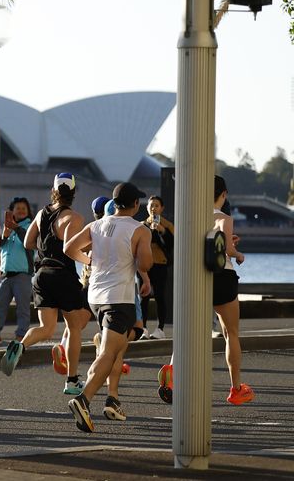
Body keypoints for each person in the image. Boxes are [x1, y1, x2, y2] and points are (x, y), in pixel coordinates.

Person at [63, 182, 152, 432]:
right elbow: (145, 263)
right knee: (109, 353)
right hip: (119, 298)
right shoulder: (139, 229)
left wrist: (87, 258)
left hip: (95, 296)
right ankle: (84, 399)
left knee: (117, 345)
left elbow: (68, 248)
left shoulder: (96, 225)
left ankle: (112, 398)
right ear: (135, 204)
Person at [159, 176, 254, 406]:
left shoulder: (191, 217)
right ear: (224, 194)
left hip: (197, 276)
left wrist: (224, 243)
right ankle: (236, 388)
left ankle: (171, 375)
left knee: (186, 331)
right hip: (223, 276)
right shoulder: (223, 217)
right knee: (230, 333)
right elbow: (228, 251)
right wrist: (237, 253)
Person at [2, 173, 91, 397]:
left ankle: (20, 345)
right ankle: (72, 381)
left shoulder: (41, 213)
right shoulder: (74, 218)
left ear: (54, 190)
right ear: (72, 192)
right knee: (74, 328)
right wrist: (91, 261)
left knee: (46, 328)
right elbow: (69, 248)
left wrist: (43, 249)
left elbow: (27, 242)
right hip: (63, 274)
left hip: (40, 274)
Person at [0, 197, 33, 345]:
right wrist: (5, 234)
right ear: (12, 211)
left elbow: (28, 242)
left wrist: (15, 228)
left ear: (28, 211)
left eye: (24, 208)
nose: (21, 210)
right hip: (6, 275)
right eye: (18, 208)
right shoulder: (7, 228)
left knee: (23, 309)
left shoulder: (29, 226)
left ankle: (22, 336)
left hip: (23, 275)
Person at [140, 196, 173, 339]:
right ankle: (143, 328)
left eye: (156, 205)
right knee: (143, 297)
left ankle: (160, 329)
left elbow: (172, 244)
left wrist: (162, 231)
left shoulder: (168, 225)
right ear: (147, 208)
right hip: (144, 265)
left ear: (162, 208)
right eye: (151, 205)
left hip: (160, 263)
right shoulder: (142, 225)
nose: (153, 208)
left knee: (160, 296)